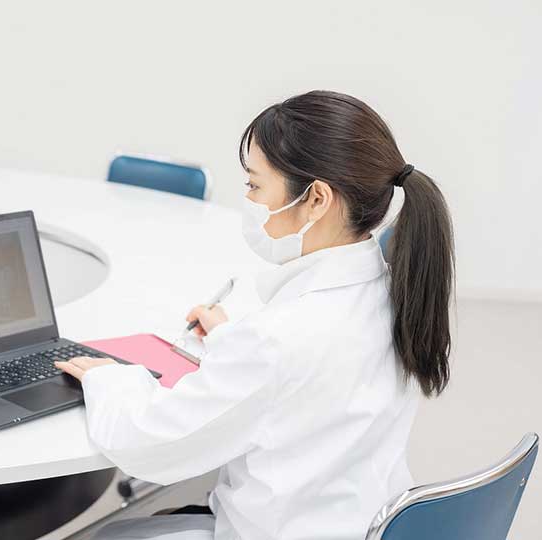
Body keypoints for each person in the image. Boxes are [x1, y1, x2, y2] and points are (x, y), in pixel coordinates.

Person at [55, 90, 455, 540]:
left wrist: (111, 379)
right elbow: (299, 379)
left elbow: (149, 444)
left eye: (254, 186)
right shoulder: (390, 290)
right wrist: (230, 341)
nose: (248, 199)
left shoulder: (278, 339)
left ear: (316, 199)